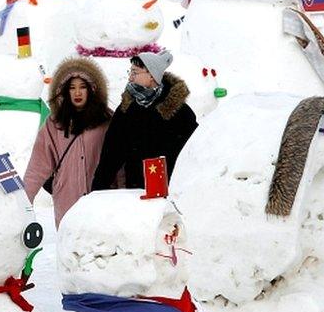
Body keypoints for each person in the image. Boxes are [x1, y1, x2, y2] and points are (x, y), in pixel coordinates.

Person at [92, 50, 197, 191]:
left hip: (172, 191)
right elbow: (111, 153)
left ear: (151, 75)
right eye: (130, 72)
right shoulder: (126, 110)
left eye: (135, 72)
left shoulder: (181, 112)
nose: (130, 77)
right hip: (135, 191)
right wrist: (98, 188)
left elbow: (193, 153)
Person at [24, 57, 111, 226]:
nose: (77, 93)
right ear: (64, 91)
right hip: (67, 202)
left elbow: (118, 164)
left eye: (82, 87)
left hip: (101, 203)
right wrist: (23, 203)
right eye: (72, 88)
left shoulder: (106, 120)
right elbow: (38, 166)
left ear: (92, 89)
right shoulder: (54, 124)